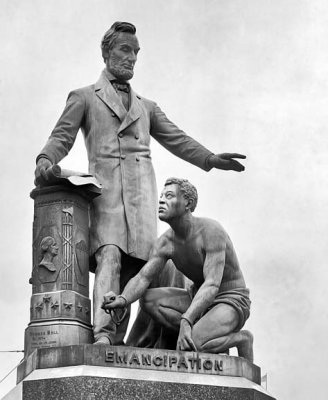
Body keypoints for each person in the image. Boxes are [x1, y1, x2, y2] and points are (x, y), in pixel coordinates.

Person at [34, 21, 247, 346]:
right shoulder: (84, 98)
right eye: (124, 49)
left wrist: (209, 159)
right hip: (107, 197)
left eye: (136, 52)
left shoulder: (146, 107)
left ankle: (121, 343)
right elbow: (61, 136)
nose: (131, 57)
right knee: (110, 257)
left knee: (137, 271)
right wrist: (45, 160)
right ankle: (103, 336)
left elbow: (177, 138)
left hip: (143, 200)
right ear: (106, 52)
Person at [103, 178, 253, 362]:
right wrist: (123, 299)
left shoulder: (212, 231)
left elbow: (212, 284)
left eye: (169, 196)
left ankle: (241, 339)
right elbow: (143, 277)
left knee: (194, 344)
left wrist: (186, 320)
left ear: (187, 203)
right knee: (149, 300)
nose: (161, 200)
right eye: (161, 196)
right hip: (196, 298)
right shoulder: (165, 242)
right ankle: (204, 328)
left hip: (230, 300)